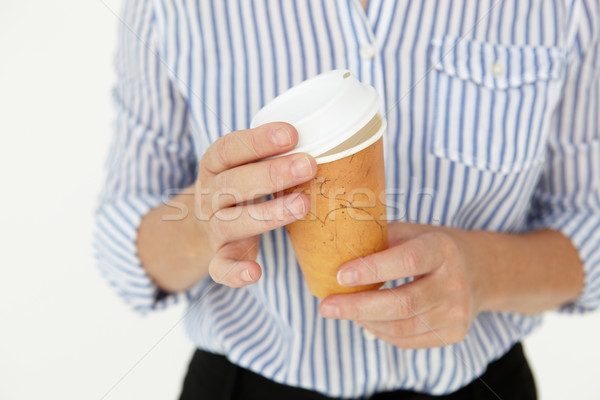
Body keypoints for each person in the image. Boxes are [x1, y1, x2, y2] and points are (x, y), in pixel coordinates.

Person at [94, 0, 600, 399]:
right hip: (244, 386)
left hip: (479, 386)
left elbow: (587, 222)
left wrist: (490, 273)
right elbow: (120, 246)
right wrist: (200, 227)